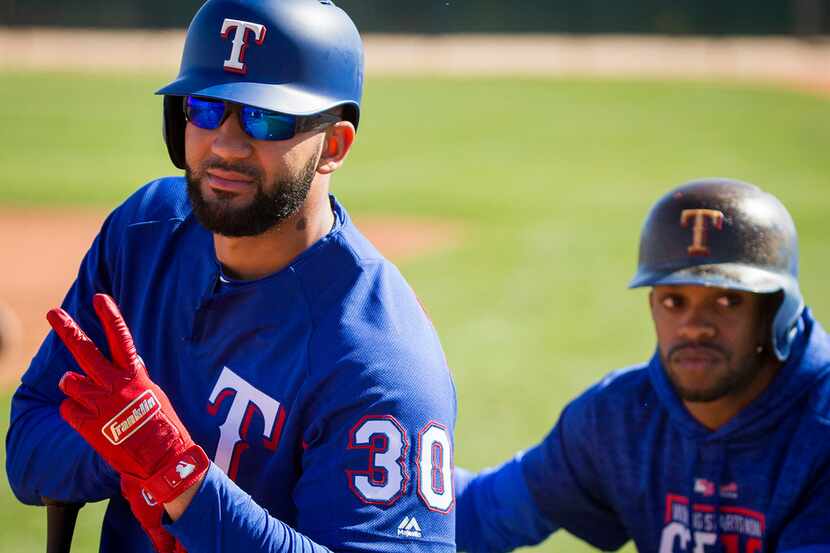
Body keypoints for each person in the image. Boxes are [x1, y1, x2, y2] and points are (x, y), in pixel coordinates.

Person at [5, 1, 457, 552]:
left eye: (265, 118)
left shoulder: (379, 360)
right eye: (206, 107)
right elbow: (28, 449)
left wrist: (179, 475)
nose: (225, 143)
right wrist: (125, 448)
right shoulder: (143, 236)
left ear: (332, 147)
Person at [455, 178, 830, 553]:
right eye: (674, 301)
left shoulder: (820, 426)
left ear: (777, 312)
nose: (695, 326)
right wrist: (405, 488)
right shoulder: (621, 417)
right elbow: (482, 514)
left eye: (729, 300)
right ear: (652, 306)